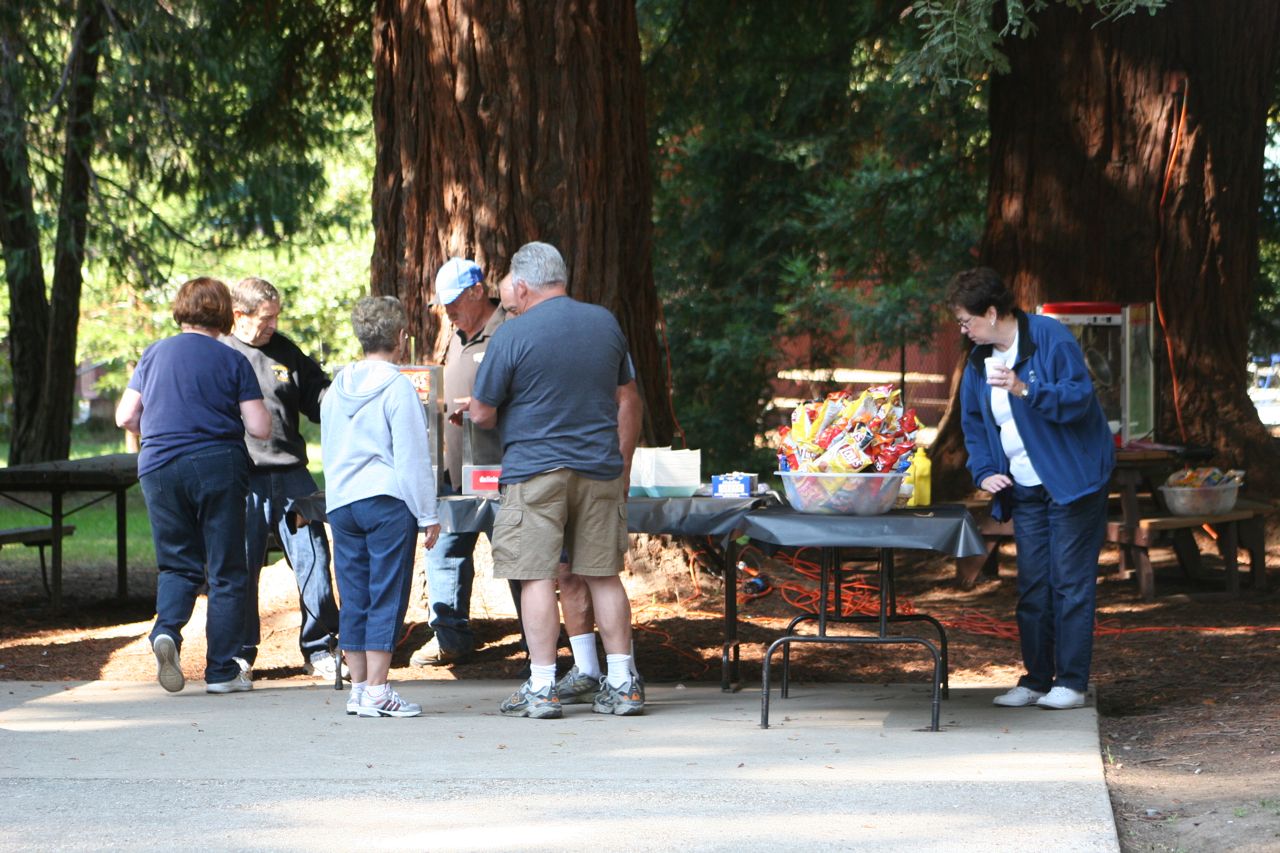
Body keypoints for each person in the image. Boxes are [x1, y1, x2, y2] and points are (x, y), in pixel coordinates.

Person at [465, 241, 643, 719]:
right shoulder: (604, 323)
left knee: (536, 576)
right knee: (603, 575)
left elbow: (481, 413)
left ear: (522, 286)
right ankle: (623, 683)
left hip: (535, 471)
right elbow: (627, 396)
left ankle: (543, 686)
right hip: (600, 469)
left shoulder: (512, 334)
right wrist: (623, 464)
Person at [949, 267, 1115, 711]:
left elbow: (1078, 398)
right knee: (1033, 585)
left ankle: (1072, 683)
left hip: (1072, 481)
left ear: (991, 312)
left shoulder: (1048, 338)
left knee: (1070, 583)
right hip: (1023, 485)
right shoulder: (978, 361)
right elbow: (973, 423)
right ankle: (1037, 680)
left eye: (967, 321)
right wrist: (984, 470)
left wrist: (1025, 389)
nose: (963, 330)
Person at [115, 277, 271, 694]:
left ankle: (166, 630)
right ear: (224, 314)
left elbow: (125, 417)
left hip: (159, 466)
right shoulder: (232, 359)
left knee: (177, 564)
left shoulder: (154, 353)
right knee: (226, 569)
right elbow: (259, 426)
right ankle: (221, 672)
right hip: (217, 465)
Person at [322, 296, 441, 718]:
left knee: (354, 594)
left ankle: (359, 689)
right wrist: (428, 513)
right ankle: (378, 689)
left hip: (343, 501)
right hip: (386, 500)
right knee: (386, 592)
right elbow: (411, 457)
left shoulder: (336, 386)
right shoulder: (397, 387)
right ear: (401, 337)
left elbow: (329, 446)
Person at [221, 277, 343, 682]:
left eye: (276, 316)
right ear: (239, 315)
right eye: (265, 318)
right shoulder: (221, 352)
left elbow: (319, 399)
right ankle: (238, 655)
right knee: (241, 564)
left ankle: (320, 647)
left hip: (292, 475)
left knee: (315, 559)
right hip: (244, 478)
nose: (273, 325)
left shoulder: (286, 350)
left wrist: (348, 396)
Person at [408, 258, 511, 667]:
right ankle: (451, 637)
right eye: (444, 303)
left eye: (454, 301)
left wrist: (484, 406)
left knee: (517, 556)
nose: (448, 310)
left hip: (501, 469)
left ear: (477, 291)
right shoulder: (456, 333)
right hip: (457, 471)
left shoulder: (507, 330)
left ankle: (539, 642)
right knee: (445, 550)